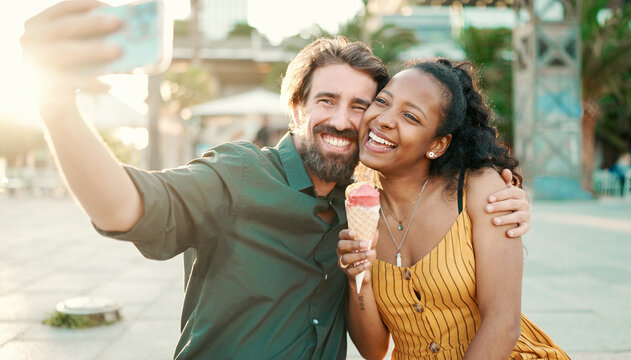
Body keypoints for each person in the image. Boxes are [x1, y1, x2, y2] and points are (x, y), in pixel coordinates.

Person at [20, 1, 532, 358]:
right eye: (326, 100)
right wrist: (56, 105)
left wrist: (498, 182)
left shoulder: (364, 202)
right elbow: (125, 208)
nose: (342, 120)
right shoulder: (238, 173)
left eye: (360, 105)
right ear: (295, 110)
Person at [337, 59, 569, 359]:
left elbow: (503, 323)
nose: (384, 119)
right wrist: (360, 280)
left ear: (437, 144)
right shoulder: (359, 209)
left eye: (410, 116)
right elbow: (374, 350)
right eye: (382, 101)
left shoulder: (478, 190)